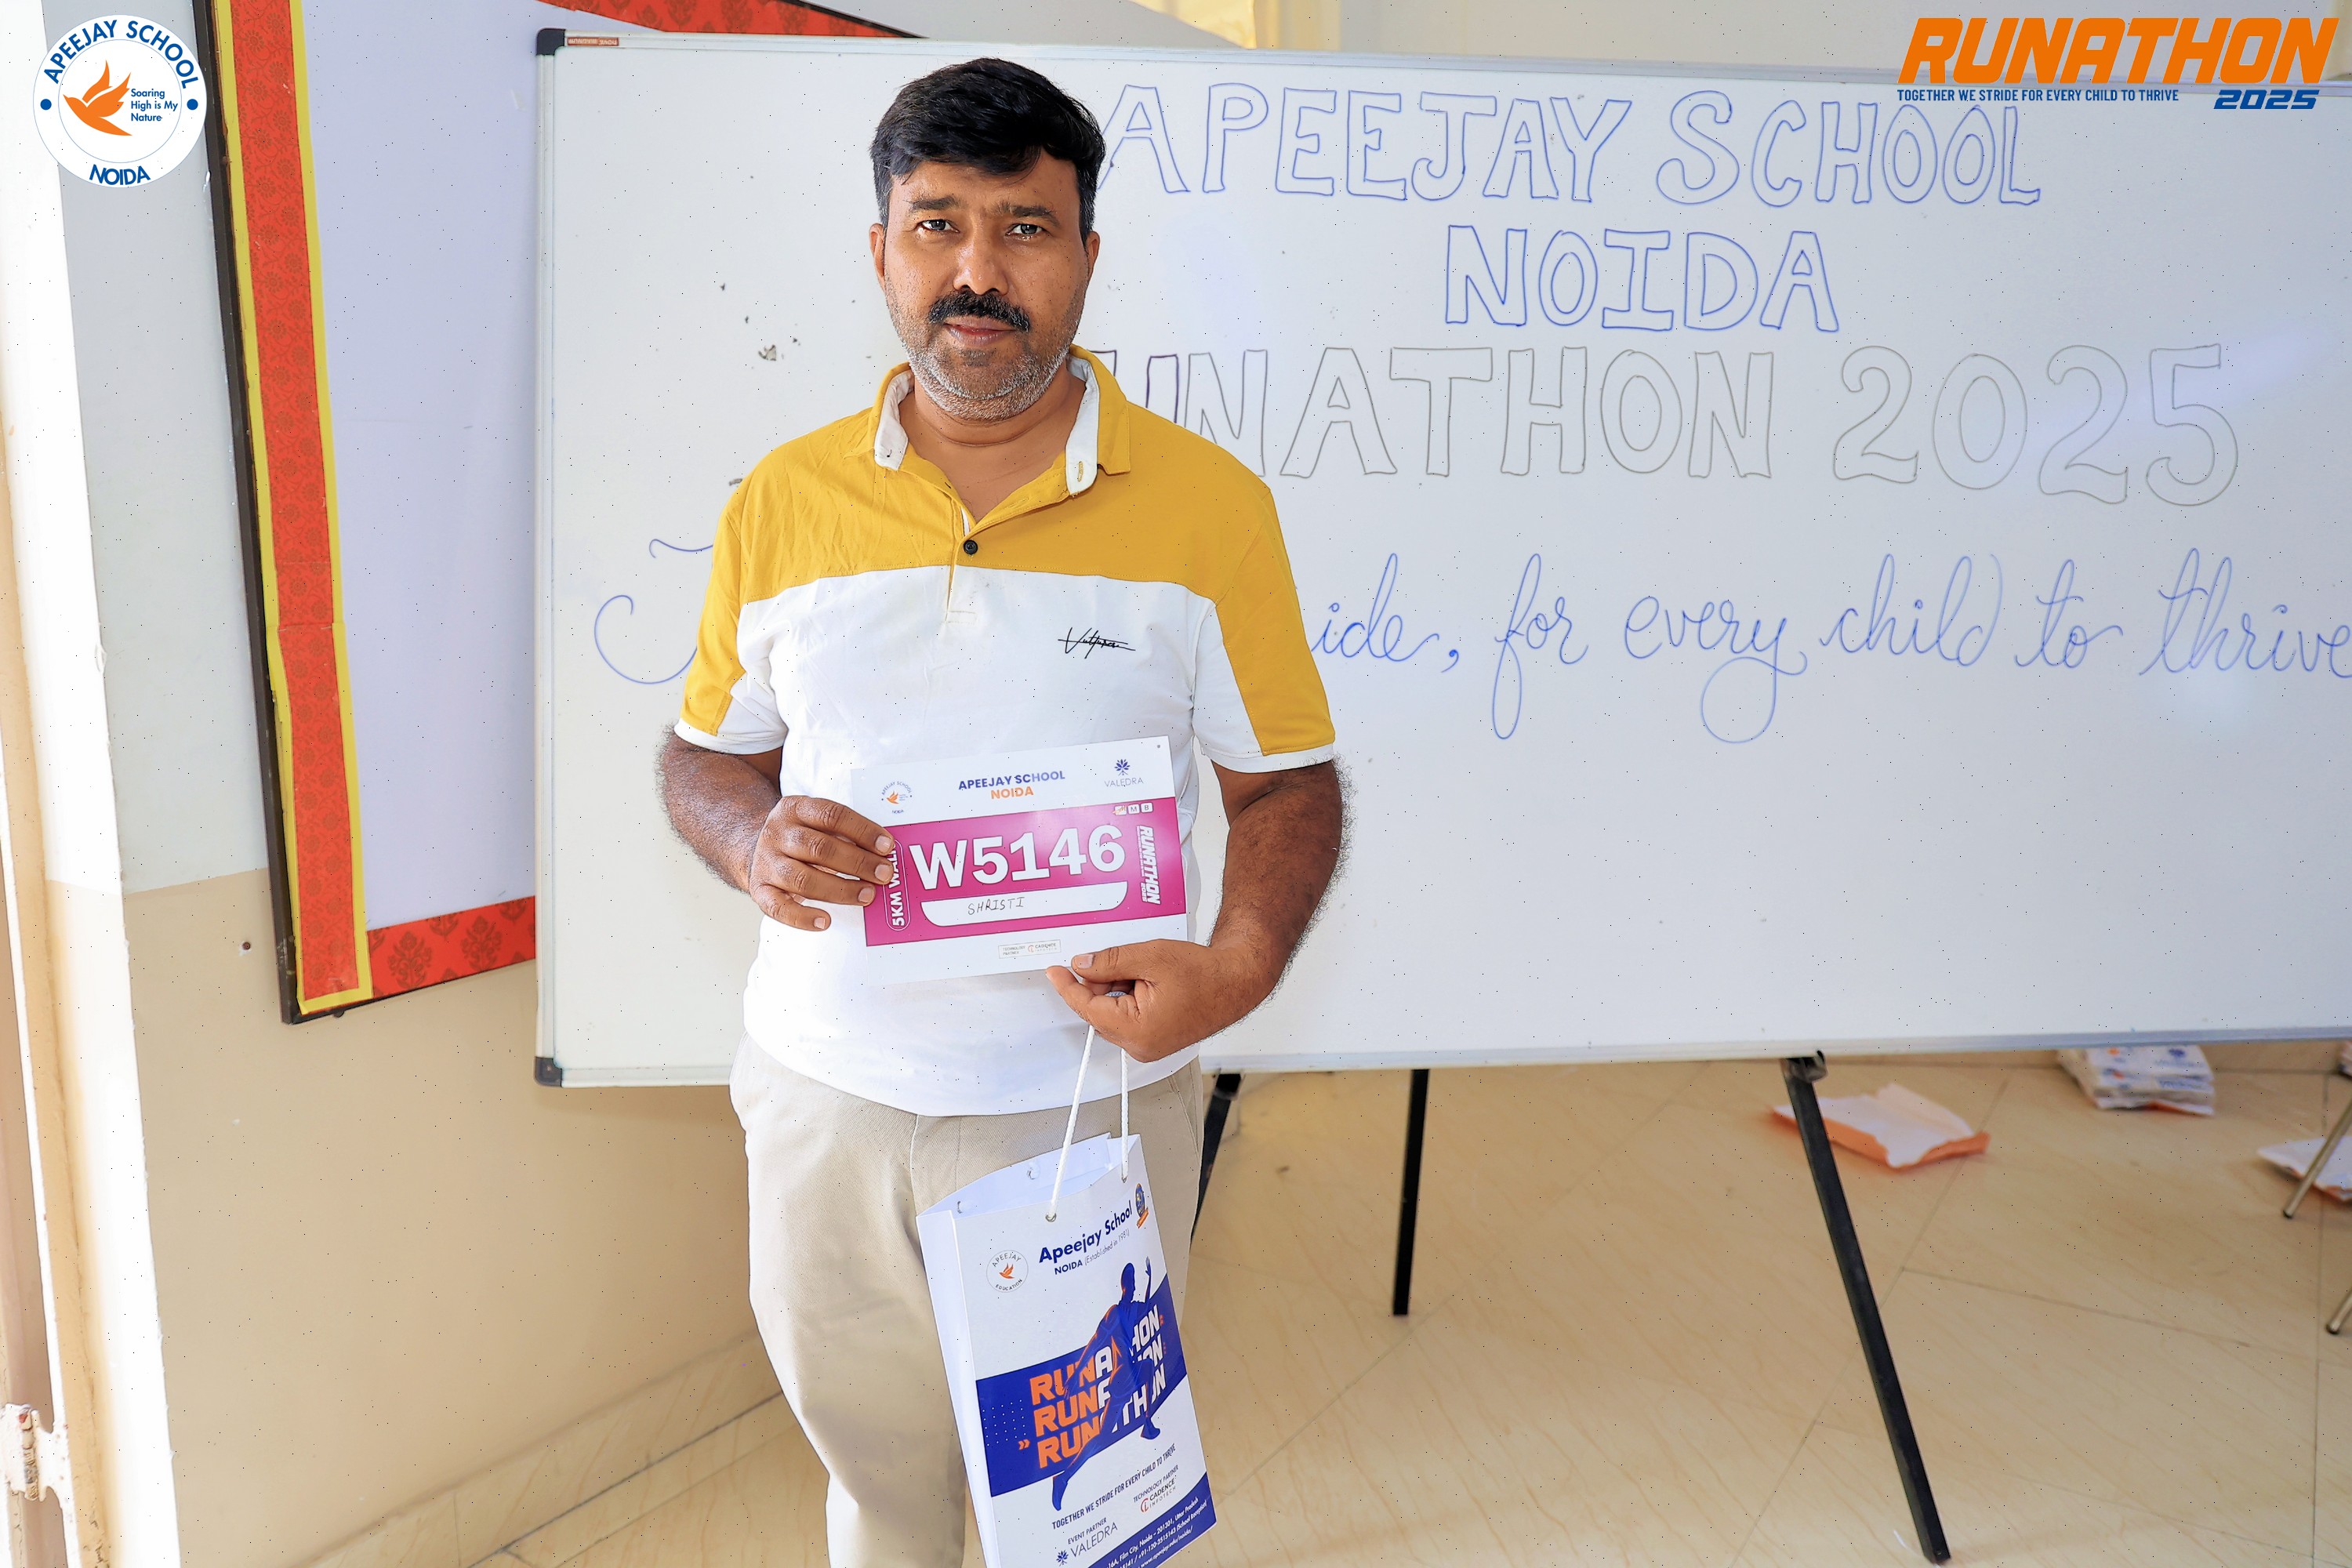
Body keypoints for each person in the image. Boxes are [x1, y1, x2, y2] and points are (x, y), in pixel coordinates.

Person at [658, 57, 1342, 1568]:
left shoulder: (1212, 508)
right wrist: (751, 840)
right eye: (939, 225)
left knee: (1087, 1512)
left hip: (1081, 1110)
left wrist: (1234, 972)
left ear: (1088, 253)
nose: (979, 271)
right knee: (881, 1489)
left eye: (1026, 227)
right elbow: (706, 757)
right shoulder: (780, 502)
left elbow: (1286, 782)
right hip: (826, 1098)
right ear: (882, 251)